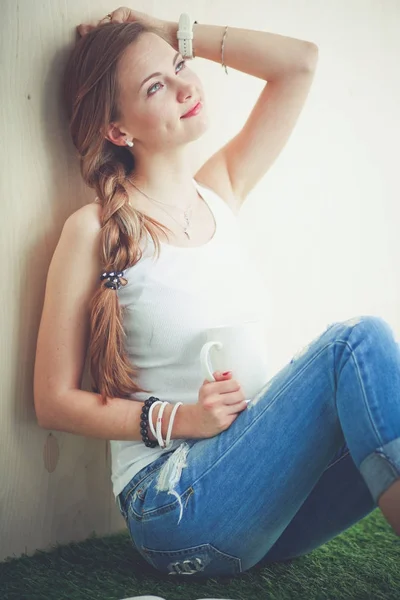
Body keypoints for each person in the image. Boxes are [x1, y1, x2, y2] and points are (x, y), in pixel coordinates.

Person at [33, 6, 400, 583]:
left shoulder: (221, 192)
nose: (185, 86)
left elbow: (299, 65)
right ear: (119, 131)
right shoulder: (95, 228)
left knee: (378, 391)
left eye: (181, 67)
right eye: (156, 86)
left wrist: (174, 33)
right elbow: (51, 399)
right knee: (356, 344)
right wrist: (181, 418)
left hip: (260, 512)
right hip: (173, 505)